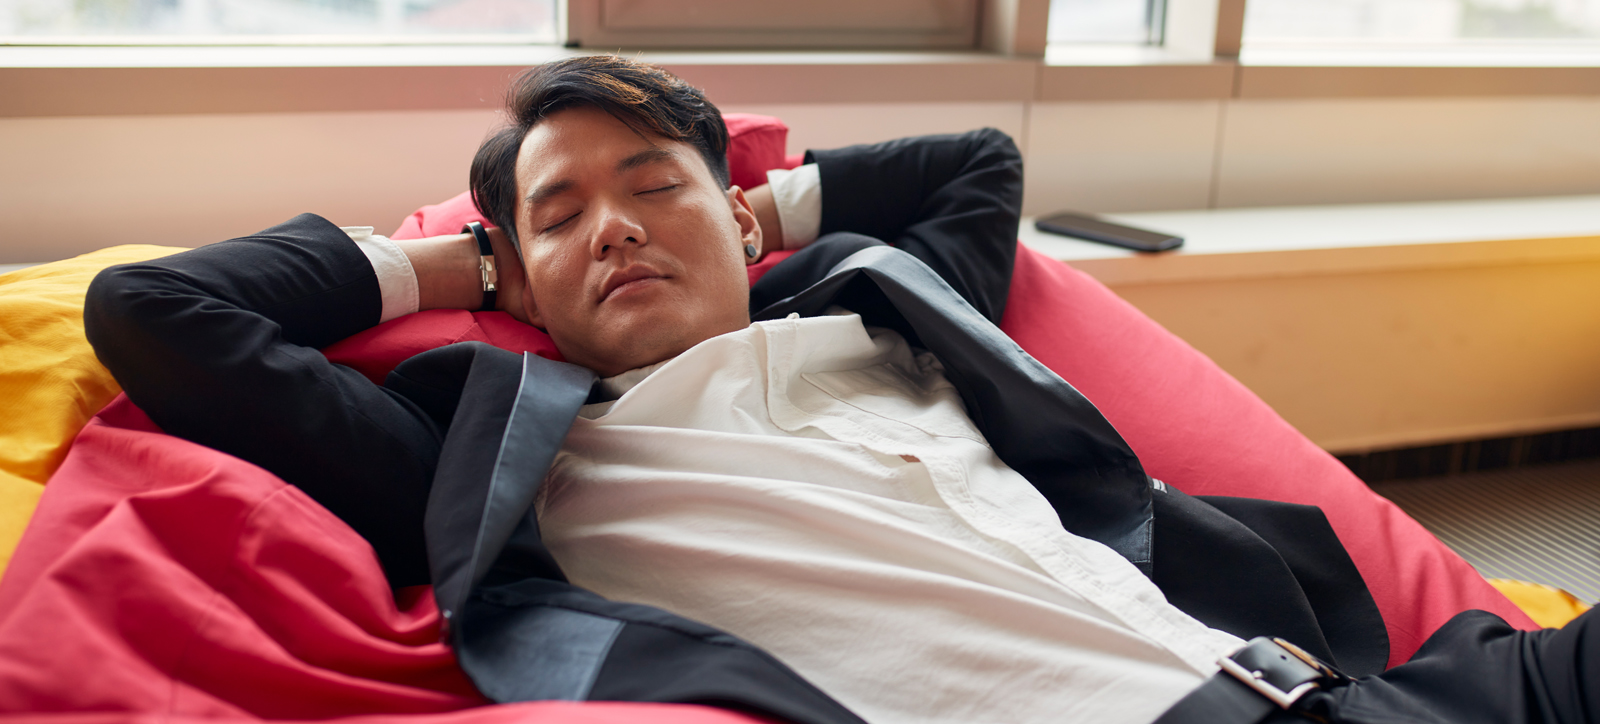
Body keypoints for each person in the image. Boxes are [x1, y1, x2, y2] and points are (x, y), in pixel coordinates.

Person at [84, 56, 1596, 724]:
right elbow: (156, 311)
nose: (608, 224)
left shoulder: (889, 314)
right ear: (517, 282)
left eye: (650, 185)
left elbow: (975, 165)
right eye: (557, 217)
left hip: (1389, 687)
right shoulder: (514, 457)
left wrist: (760, 215)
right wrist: (458, 269)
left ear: (738, 215)